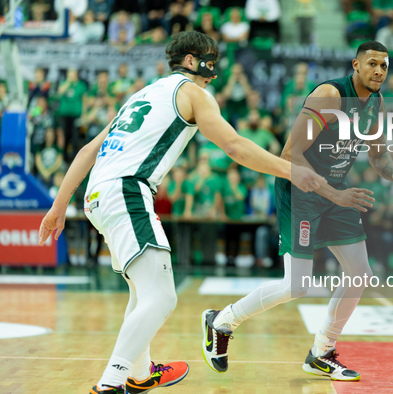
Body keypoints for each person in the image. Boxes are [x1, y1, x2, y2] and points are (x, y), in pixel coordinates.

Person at [38, 31, 325, 394]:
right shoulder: (191, 93)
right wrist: (291, 170)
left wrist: (58, 207)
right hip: (126, 190)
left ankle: (140, 374)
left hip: (99, 195)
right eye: (209, 60)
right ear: (190, 60)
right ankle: (110, 383)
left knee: (142, 294)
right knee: (162, 298)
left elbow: (86, 152)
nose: (214, 70)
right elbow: (234, 146)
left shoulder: (140, 96)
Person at [202, 41, 393, 381]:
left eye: (384, 65)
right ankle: (221, 321)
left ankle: (321, 352)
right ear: (355, 65)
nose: (379, 70)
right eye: (372, 64)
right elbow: (291, 154)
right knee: (297, 286)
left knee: (360, 274)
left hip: (336, 192)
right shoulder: (329, 96)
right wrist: (333, 195)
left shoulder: (376, 103)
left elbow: (379, 155)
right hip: (301, 190)